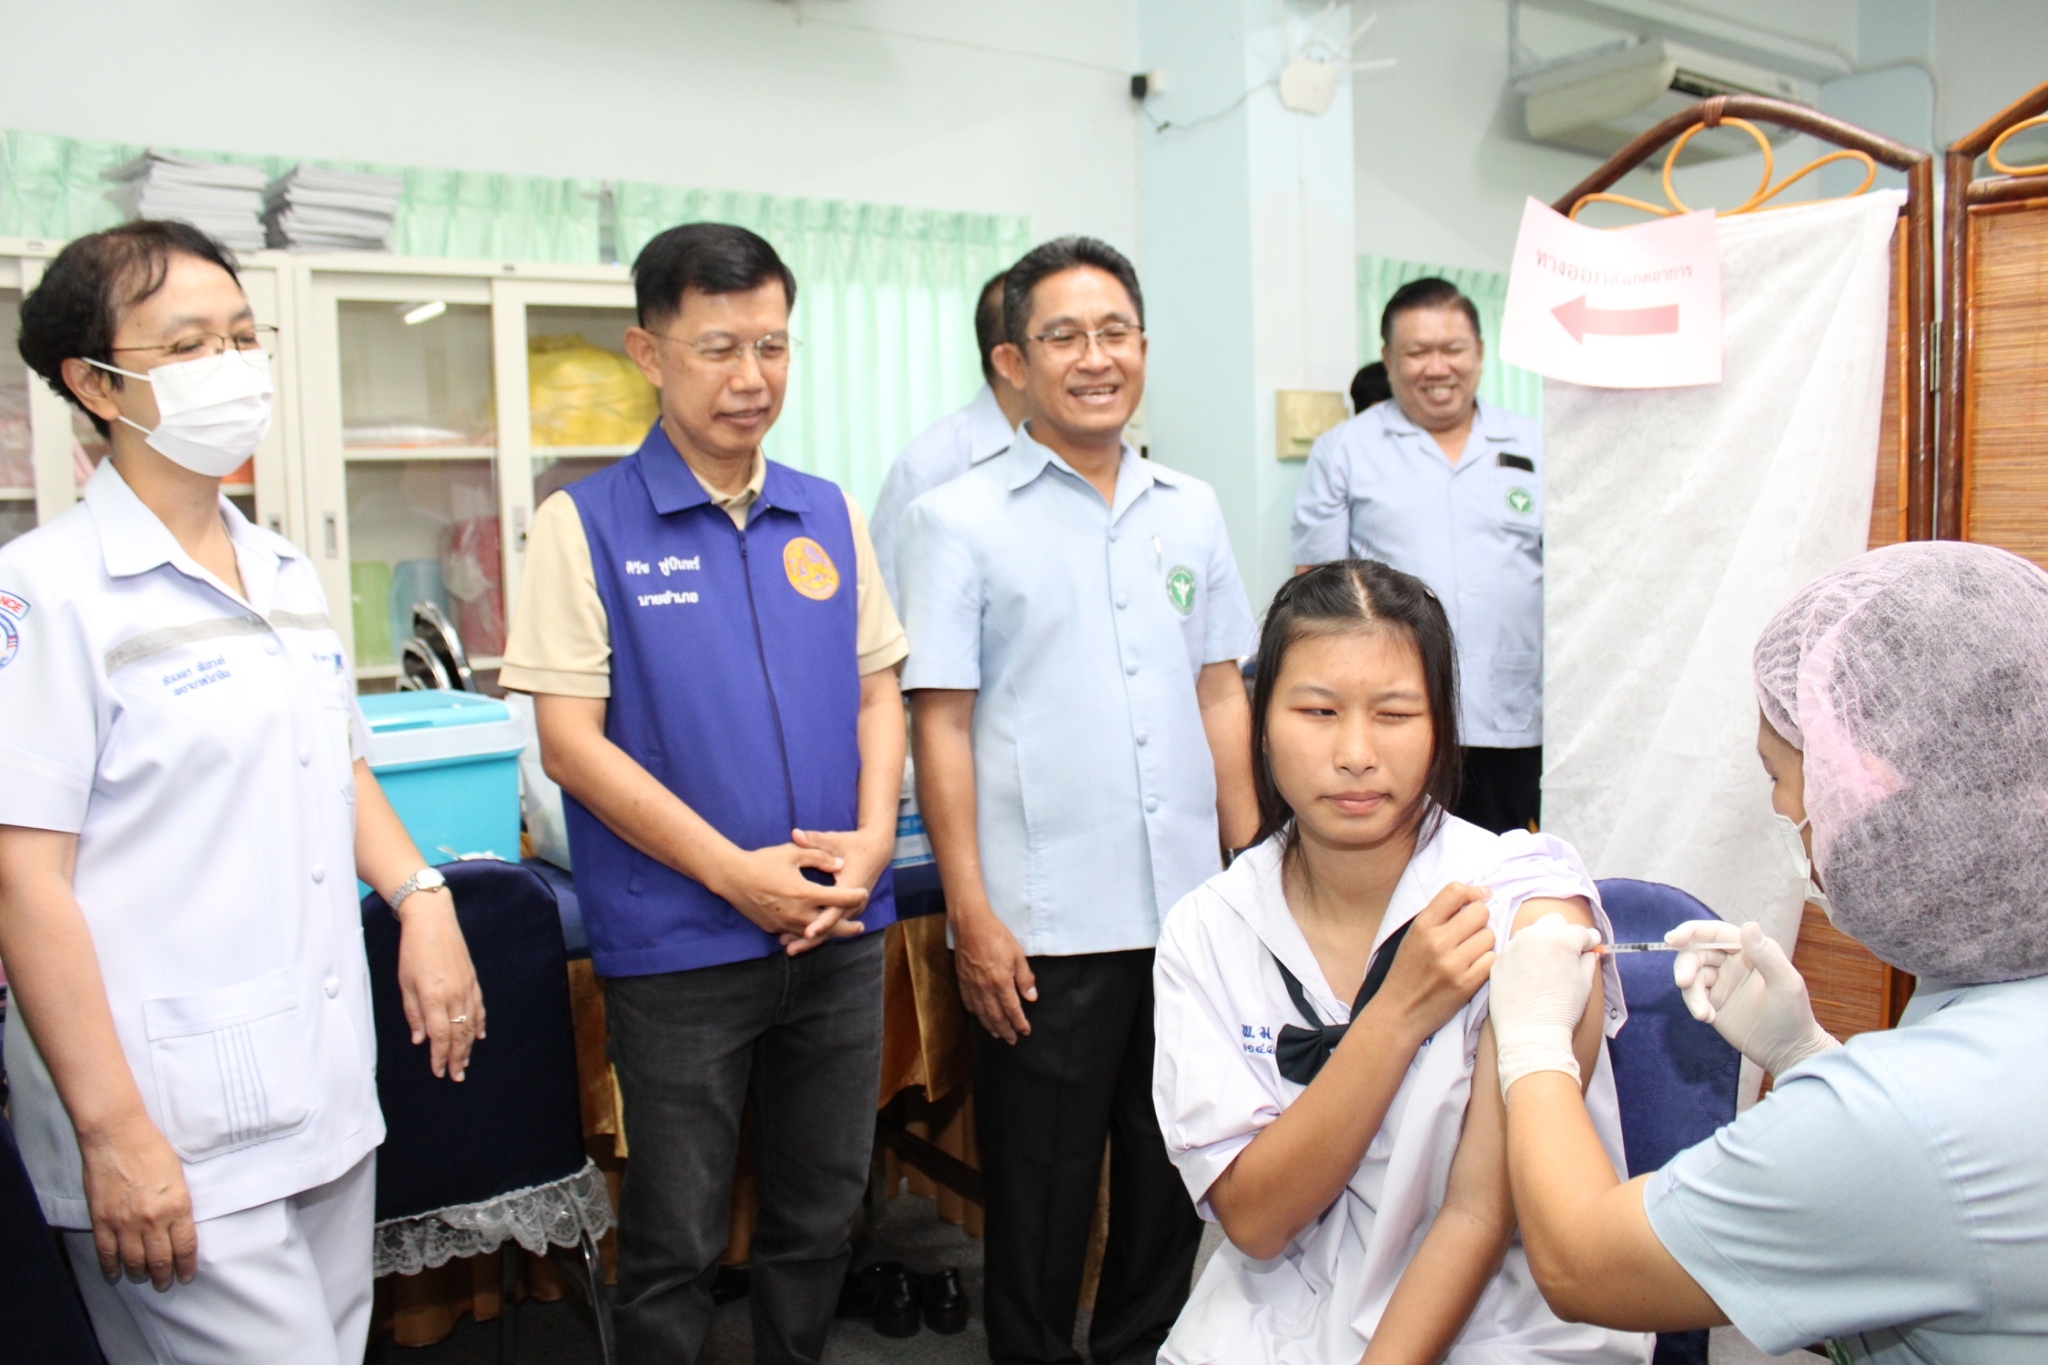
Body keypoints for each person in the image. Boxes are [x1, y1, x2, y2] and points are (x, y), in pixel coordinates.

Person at [0, 221, 482, 1364]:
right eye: (187, 345)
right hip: (168, 1122)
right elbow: (23, 880)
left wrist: (421, 897)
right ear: (94, 384)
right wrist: (113, 1132)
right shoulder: (45, 594)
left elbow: (337, 765)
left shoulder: (281, 570)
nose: (230, 366)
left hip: (317, 1090)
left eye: (241, 336)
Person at [500, 221, 907, 1365]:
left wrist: (875, 839)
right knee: (675, 1238)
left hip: (838, 925)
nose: (750, 377)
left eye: (771, 347)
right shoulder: (583, 525)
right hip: (681, 946)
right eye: (719, 348)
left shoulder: (828, 513)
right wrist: (734, 877)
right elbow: (570, 748)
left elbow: (879, 693)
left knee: (821, 1213)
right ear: (648, 353)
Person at [1486, 540, 2048, 1362]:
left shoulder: (1907, 1121)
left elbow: (1583, 1264)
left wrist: (1534, 1044)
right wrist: (1810, 1056)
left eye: (1781, 775)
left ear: (1870, 785)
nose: (1782, 807)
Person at [897, 235, 1259, 1365]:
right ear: (1014, 361)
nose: (1094, 357)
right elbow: (938, 725)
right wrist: (972, 916)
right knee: (1042, 1204)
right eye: (1063, 336)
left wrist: (1253, 871)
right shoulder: (957, 518)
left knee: (1172, 1181)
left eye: (1114, 333)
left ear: (1142, 347)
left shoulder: (1190, 508)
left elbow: (1219, 690)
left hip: (1189, 920)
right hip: (1043, 930)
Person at [1150, 559, 1647, 1365]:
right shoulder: (1208, 928)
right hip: (1281, 1310)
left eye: (1394, 713)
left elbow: (1479, 1213)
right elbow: (1256, 1221)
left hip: (1496, 1323)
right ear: (1261, 721)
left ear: (1441, 726)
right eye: (1318, 710)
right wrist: (1397, 1014)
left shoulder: (1527, 905)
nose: (1355, 752)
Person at [1291, 279, 1544, 836]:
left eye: (1452, 349)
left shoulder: (1535, 444)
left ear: (1480, 352)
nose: (1437, 368)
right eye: (1417, 352)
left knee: (1504, 865)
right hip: (1392, 718)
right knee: (1400, 864)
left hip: (1514, 712)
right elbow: (1315, 597)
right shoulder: (1346, 450)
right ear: (1388, 359)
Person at [869, 269, 1027, 607]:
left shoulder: (1075, 454)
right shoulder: (927, 468)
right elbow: (887, 612)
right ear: (1010, 361)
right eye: (1061, 339)